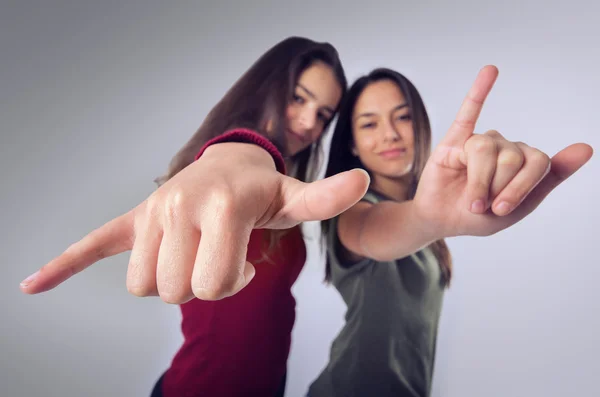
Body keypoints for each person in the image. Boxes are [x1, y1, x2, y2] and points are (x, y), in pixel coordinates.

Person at [19, 36, 370, 397]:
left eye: (324, 113)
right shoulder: (234, 167)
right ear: (267, 88)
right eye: (299, 97)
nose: (310, 121)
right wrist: (236, 153)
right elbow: (236, 156)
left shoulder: (281, 195)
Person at [307, 66, 594, 397]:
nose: (390, 134)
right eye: (369, 124)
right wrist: (425, 219)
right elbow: (374, 230)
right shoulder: (353, 212)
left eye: (403, 117)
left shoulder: (424, 212)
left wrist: (428, 218)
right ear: (352, 144)